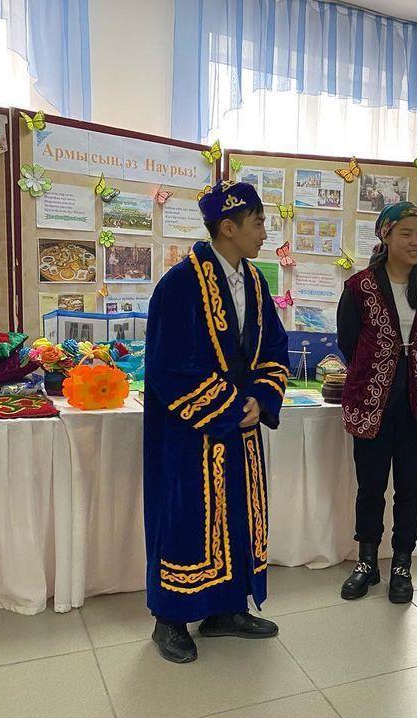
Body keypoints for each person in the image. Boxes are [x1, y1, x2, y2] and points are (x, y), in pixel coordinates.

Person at [143, 180, 290, 663]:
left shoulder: (256, 281)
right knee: (186, 522)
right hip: (189, 435)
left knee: (237, 519)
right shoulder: (179, 284)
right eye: (259, 223)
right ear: (228, 227)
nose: (265, 232)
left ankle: (226, 609)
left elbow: (274, 348)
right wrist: (230, 407)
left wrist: (261, 399)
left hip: (241, 429)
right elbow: (168, 367)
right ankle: (170, 618)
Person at [337, 202, 417, 604]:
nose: (416, 241)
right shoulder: (360, 286)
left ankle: (401, 563)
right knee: (370, 486)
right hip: (371, 399)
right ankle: (367, 562)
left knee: (410, 487)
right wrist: (381, 366)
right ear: (386, 236)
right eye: (406, 233)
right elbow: (348, 342)